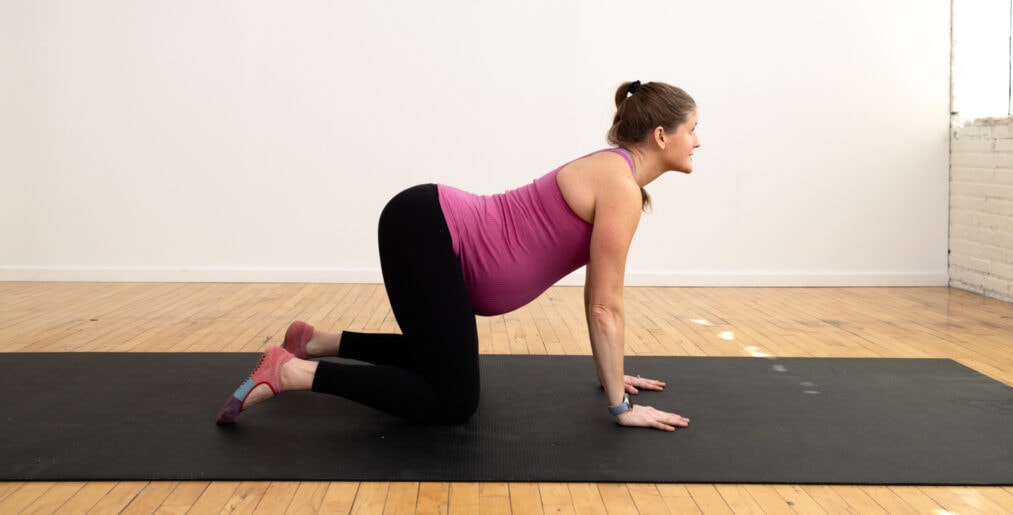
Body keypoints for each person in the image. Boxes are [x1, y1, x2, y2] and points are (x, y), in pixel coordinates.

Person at [216, 80, 699, 431]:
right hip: (430, 230)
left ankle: (315, 342)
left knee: (443, 361)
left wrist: (612, 376)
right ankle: (292, 371)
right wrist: (620, 408)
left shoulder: (613, 174)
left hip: (426, 222)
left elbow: (600, 301)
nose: (697, 141)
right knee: (451, 400)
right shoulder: (620, 187)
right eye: (692, 129)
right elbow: (604, 307)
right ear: (661, 135)